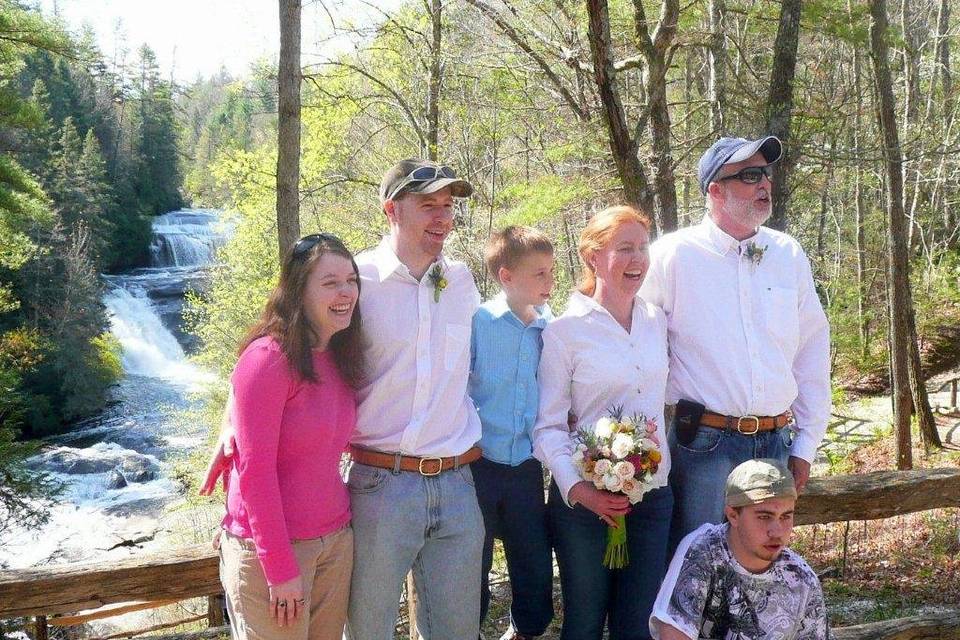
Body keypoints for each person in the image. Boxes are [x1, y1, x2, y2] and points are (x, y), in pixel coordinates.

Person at [203, 159, 484, 640]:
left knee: (459, 630)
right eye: (428, 205)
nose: (442, 218)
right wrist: (236, 421)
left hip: (456, 482)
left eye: (448, 206)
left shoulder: (460, 282)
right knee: (370, 630)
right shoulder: (354, 279)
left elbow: (483, 365)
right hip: (381, 483)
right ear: (391, 210)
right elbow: (278, 350)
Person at [638, 135, 830, 551]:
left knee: (761, 578)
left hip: (777, 442)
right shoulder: (672, 255)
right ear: (714, 191)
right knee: (695, 574)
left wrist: (806, 444)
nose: (764, 183)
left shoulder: (787, 254)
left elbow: (811, 352)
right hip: (704, 445)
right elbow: (639, 354)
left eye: (766, 173)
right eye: (749, 175)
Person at [534, 206, 673, 640]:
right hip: (585, 504)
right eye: (624, 249)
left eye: (642, 248)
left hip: (652, 496)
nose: (638, 261)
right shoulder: (565, 330)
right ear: (593, 257)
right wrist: (579, 489)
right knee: (585, 623)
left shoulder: (657, 321)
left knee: (639, 626)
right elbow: (547, 426)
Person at [217, 233, 364, 640]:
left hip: (335, 541)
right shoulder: (267, 360)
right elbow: (255, 473)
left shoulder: (339, 354)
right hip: (274, 551)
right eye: (330, 282)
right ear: (298, 290)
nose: (345, 292)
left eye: (351, 280)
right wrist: (280, 569)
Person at [470, 226, 555, 640]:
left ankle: (526, 631)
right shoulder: (478, 322)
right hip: (478, 465)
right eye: (539, 274)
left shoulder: (551, 328)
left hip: (525, 465)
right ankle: (469, 629)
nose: (550, 282)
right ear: (506, 277)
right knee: (474, 560)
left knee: (533, 560)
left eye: (552, 272)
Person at [649, 458, 829, 640]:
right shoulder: (703, 551)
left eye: (785, 517)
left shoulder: (802, 579)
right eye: (764, 517)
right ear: (733, 515)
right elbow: (673, 634)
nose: (777, 531)